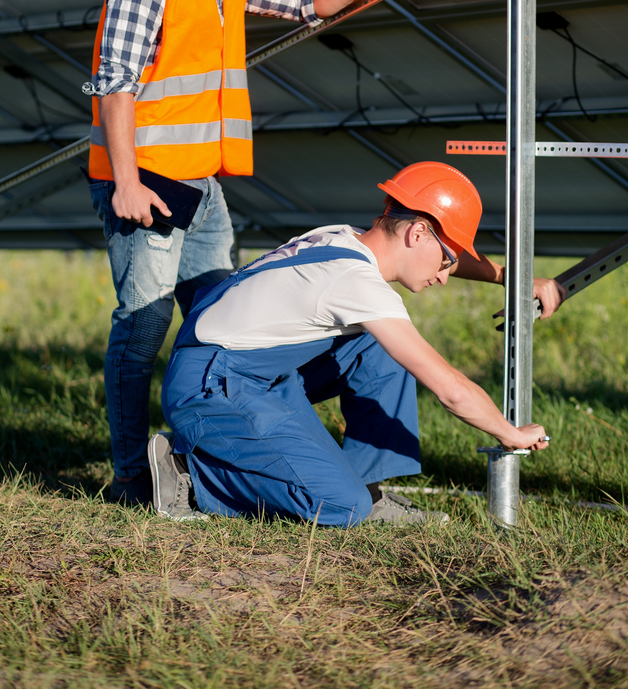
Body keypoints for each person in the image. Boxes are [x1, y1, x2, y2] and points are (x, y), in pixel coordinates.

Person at [84, 0, 432, 506]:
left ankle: (198, 457)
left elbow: (307, 0)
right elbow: (114, 86)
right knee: (142, 329)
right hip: (146, 184)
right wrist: (126, 182)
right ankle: (131, 476)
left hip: (200, 187)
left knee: (227, 324)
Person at [149, 162, 563, 526]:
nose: (443, 276)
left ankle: (368, 491)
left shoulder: (346, 239)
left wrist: (511, 278)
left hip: (248, 369)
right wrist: (511, 433)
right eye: (446, 260)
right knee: (339, 507)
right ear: (418, 232)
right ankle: (188, 471)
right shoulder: (355, 282)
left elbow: (442, 257)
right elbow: (451, 390)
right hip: (209, 387)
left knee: (378, 345)